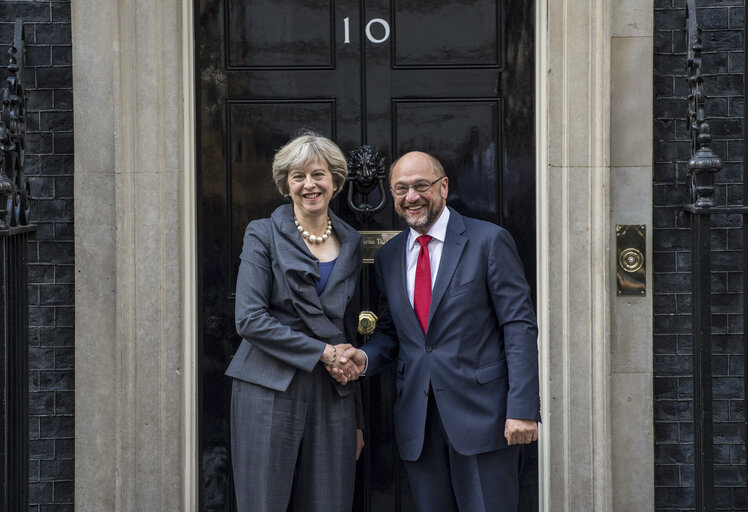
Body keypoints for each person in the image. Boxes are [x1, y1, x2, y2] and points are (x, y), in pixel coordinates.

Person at [332, 151, 540, 512]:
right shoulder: (389, 256)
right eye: (401, 188)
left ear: (443, 187)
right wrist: (364, 358)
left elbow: (518, 326)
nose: (411, 196)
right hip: (419, 425)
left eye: (420, 186)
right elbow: (393, 334)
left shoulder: (489, 241)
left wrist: (522, 407)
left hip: (485, 419)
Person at [226, 131, 364, 512]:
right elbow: (250, 320)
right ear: (286, 185)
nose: (309, 185)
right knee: (264, 503)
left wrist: (358, 417)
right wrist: (323, 352)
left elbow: (347, 331)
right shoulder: (262, 233)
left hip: (333, 391)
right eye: (297, 176)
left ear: (335, 180)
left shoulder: (351, 241)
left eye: (318, 175)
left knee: (330, 502)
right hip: (269, 384)